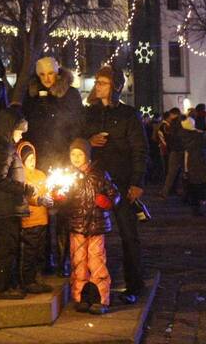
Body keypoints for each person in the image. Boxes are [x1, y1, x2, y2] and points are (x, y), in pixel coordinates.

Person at [82, 64, 147, 305]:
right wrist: (89, 141)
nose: (97, 86)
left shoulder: (128, 115)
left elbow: (140, 149)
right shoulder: (89, 112)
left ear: (115, 87)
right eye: (97, 82)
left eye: (103, 83)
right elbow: (77, 141)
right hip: (95, 183)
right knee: (93, 236)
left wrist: (137, 181)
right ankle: (94, 284)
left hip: (121, 182)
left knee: (128, 235)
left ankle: (134, 284)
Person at [23, 56, 83, 277]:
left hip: (63, 159)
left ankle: (63, 259)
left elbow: (77, 125)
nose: (47, 79)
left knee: (64, 211)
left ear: (58, 73)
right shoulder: (32, 96)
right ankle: (45, 258)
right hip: (41, 162)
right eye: (42, 75)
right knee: (43, 211)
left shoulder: (70, 94)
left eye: (50, 74)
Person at [0, 108, 33, 299]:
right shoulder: (1, 147)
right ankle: (1, 288)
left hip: (5, 207)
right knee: (6, 248)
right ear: (9, 128)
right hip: (4, 208)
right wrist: (25, 189)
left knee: (8, 247)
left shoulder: (1, 145)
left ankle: (8, 285)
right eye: (19, 132)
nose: (20, 137)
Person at [64, 138, 120, 315]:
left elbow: (114, 194)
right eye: (73, 154)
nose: (76, 158)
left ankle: (101, 299)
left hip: (97, 226)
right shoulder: (68, 175)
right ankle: (81, 298)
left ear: (87, 155)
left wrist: (107, 202)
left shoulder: (100, 174)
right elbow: (65, 201)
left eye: (79, 154)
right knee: (79, 262)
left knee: (96, 261)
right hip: (77, 226)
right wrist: (61, 198)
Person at [16, 140, 54, 294]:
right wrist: (37, 200)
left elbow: (46, 191)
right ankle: (27, 280)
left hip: (42, 219)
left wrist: (51, 198)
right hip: (29, 220)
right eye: (28, 159)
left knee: (39, 251)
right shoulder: (21, 176)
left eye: (33, 158)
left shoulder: (40, 174)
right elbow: (24, 196)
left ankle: (37, 278)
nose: (32, 161)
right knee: (30, 251)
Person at [159, 108, 185, 198]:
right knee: (183, 172)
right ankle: (180, 190)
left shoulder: (172, 125)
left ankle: (166, 192)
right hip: (180, 149)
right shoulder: (181, 124)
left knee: (172, 172)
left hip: (174, 150)